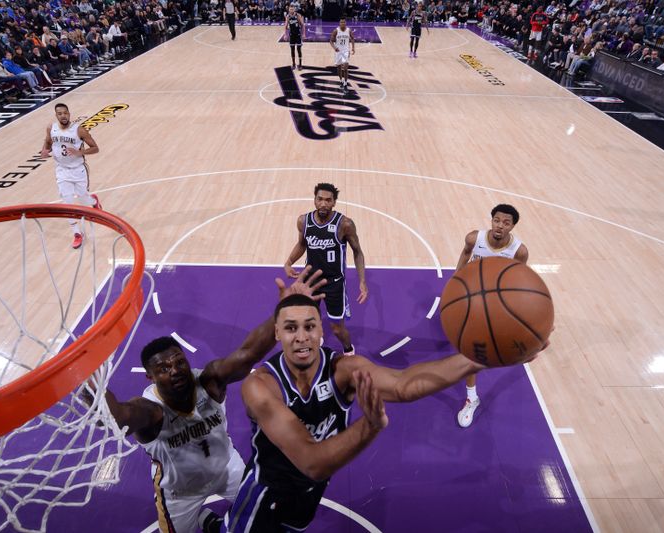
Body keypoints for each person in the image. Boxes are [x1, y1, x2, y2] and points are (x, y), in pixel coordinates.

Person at [224, 292, 546, 531]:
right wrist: (370, 427)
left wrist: (483, 359)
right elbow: (313, 463)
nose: (302, 337)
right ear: (276, 334)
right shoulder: (261, 385)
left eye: (309, 326)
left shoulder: (344, 369)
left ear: (322, 330)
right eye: (291, 328)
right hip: (267, 491)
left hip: (310, 491)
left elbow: (404, 385)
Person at [95, 268, 326, 533]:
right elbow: (118, 417)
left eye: (178, 362)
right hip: (180, 490)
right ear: (150, 377)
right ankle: (203, 519)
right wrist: (91, 384)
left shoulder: (209, 381)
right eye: (164, 368)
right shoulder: (150, 412)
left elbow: (247, 354)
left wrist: (284, 309)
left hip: (226, 469)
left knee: (266, 519)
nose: (175, 370)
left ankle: (209, 522)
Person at [454, 204, 528, 428]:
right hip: (471, 296)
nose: (500, 226)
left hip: (492, 304)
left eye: (506, 223)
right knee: (466, 347)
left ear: (513, 226)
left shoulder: (518, 251)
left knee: (472, 352)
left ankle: (471, 398)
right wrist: (454, 286)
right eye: (497, 220)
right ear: (492, 220)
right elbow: (464, 258)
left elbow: (516, 279)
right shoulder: (473, 239)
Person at [284, 183, 367, 356]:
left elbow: (358, 252)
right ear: (314, 200)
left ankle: (349, 351)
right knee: (308, 320)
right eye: (320, 199)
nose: (323, 203)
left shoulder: (344, 224)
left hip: (334, 283)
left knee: (337, 328)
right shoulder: (303, 221)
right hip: (310, 282)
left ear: (334, 202)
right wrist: (289, 262)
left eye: (328, 200)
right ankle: (316, 341)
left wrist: (362, 281)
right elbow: (302, 244)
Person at [39, 103, 101, 249]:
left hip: (78, 170)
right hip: (62, 171)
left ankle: (93, 201)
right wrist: (44, 150)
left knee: (83, 199)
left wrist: (81, 152)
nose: (63, 116)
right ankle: (77, 233)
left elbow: (96, 148)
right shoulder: (51, 128)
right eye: (60, 113)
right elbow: (48, 142)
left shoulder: (79, 130)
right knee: (67, 202)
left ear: (69, 114)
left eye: (65, 113)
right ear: (56, 115)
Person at [329, 17, 355, 91]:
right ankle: (341, 81)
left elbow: (353, 38)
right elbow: (331, 41)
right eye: (341, 22)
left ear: (345, 23)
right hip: (338, 51)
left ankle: (346, 84)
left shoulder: (348, 30)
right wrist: (334, 47)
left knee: (346, 67)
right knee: (339, 67)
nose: (342, 23)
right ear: (339, 23)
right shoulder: (336, 31)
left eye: (344, 22)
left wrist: (353, 48)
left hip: (346, 51)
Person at [284, 4, 304, 70]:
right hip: (292, 35)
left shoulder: (298, 15)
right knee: (292, 50)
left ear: (294, 9)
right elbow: (285, 26)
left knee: (298, 49)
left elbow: (302, 25)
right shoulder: (288, 16)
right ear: (289, 10)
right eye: (290, 9)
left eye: (292, 9)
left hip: (298, 35)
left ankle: (300, 64)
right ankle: (293, 64)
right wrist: (285, 34)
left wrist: (303, 34)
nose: (291, 10)